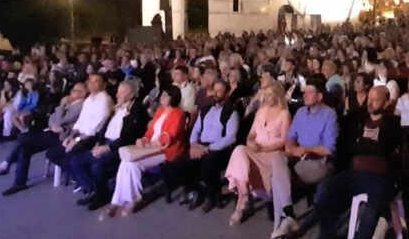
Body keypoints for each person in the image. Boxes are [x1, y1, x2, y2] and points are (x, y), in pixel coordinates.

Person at [306, 85, 402, 239]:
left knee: (371, 212)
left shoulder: (393, 124)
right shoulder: (358, 120)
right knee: (324, 190)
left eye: (377, 99)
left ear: (386, 102)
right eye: (370, 98)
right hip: (356, 173)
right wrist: (368, 146)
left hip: (380, 177)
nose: (371, 102)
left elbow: (387, 149)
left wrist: (364, 146)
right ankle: (328, 237)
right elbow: (348, 147)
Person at [254, 80, 338, 239]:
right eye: (304, 92)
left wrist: (308, 150)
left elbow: (329, 149)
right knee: (277, 159)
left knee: (278, 178)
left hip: (318, 161)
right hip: (297, 157)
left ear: (319, 96)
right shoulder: (300, 112)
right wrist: (293, 149)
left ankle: (278, 232)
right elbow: (290, 139)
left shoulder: (329, 115)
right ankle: (287, 217)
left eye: (309, 92)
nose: (305, 95)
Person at [0, 82, 86, 196]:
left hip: (63, 137)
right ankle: (19, 182)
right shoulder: (70, 103)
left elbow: (61, 121)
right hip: (51, 131)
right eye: (72, 90)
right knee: (25, 147)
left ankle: (6, 166)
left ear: (83, 94)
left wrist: (61, 106)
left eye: (75, 91)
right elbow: (51, 118)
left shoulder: (80, 106)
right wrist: (53, 124)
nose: (71, 92)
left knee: (24, 138)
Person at [105, 85, 188, 218]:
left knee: (134, 164)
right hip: (150, 146)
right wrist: (144, 139)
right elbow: (150, 131)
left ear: (173, 98)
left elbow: (170, 135)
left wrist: (152, 144)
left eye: (165, 96)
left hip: (165, 150)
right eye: (162, 95)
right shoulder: (160, 111)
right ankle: (118, 200)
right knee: (126, 162)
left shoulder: (179, 113)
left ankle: (134, 198)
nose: (162, 98)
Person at [70, 79, 149, 210]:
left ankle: (100, 194)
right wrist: (99, 143)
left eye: (122, 92)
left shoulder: (137, 110)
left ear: (132, 94)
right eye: (118, 91)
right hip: (106, 143)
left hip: (119, 147)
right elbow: (104, 128)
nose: (117, 95)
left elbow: (128, 137)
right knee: (91, 165)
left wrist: (106, 148)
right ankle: (98, 192)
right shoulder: (116, 108)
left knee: (79, 161)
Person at [224, 82, 291, 226]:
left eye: (270, 95)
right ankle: (244, 195)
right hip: (257, 149)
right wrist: (250, 142)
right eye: (265, 95)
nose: (267, 98)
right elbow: (252, 134)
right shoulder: (261, 111)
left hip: (272, 153)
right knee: (239, 150)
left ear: (278, 96)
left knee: (243, 155)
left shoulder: (284, 114)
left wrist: (265, 149)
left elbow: (284, 141)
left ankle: (241, 206)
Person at [173, 80, 239, 211]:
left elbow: (231, 137)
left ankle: (211, 197)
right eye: (215, 90)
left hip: (219, 148)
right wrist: (193, 145)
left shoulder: (232, 112)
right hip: (200, 145)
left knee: (209, 163)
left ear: (226, 94)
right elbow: (196, 129)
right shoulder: (205, 110)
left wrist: (208, 149)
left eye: (220, 91)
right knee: (178, 164)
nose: (216, 94)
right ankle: (197, 190)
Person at [45, 74, 114, 178]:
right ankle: (79, 178)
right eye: (90, 80)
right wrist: (70, 136)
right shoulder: (89, 99)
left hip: (92, 138)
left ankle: (87, 184)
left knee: (69, 156)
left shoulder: (104, 100)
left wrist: (76, 140)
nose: (91, 83)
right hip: (79, 135)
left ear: (104, 85)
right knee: (51, 153)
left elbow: (94, 128)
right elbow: (80, 122)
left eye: (96, 81)